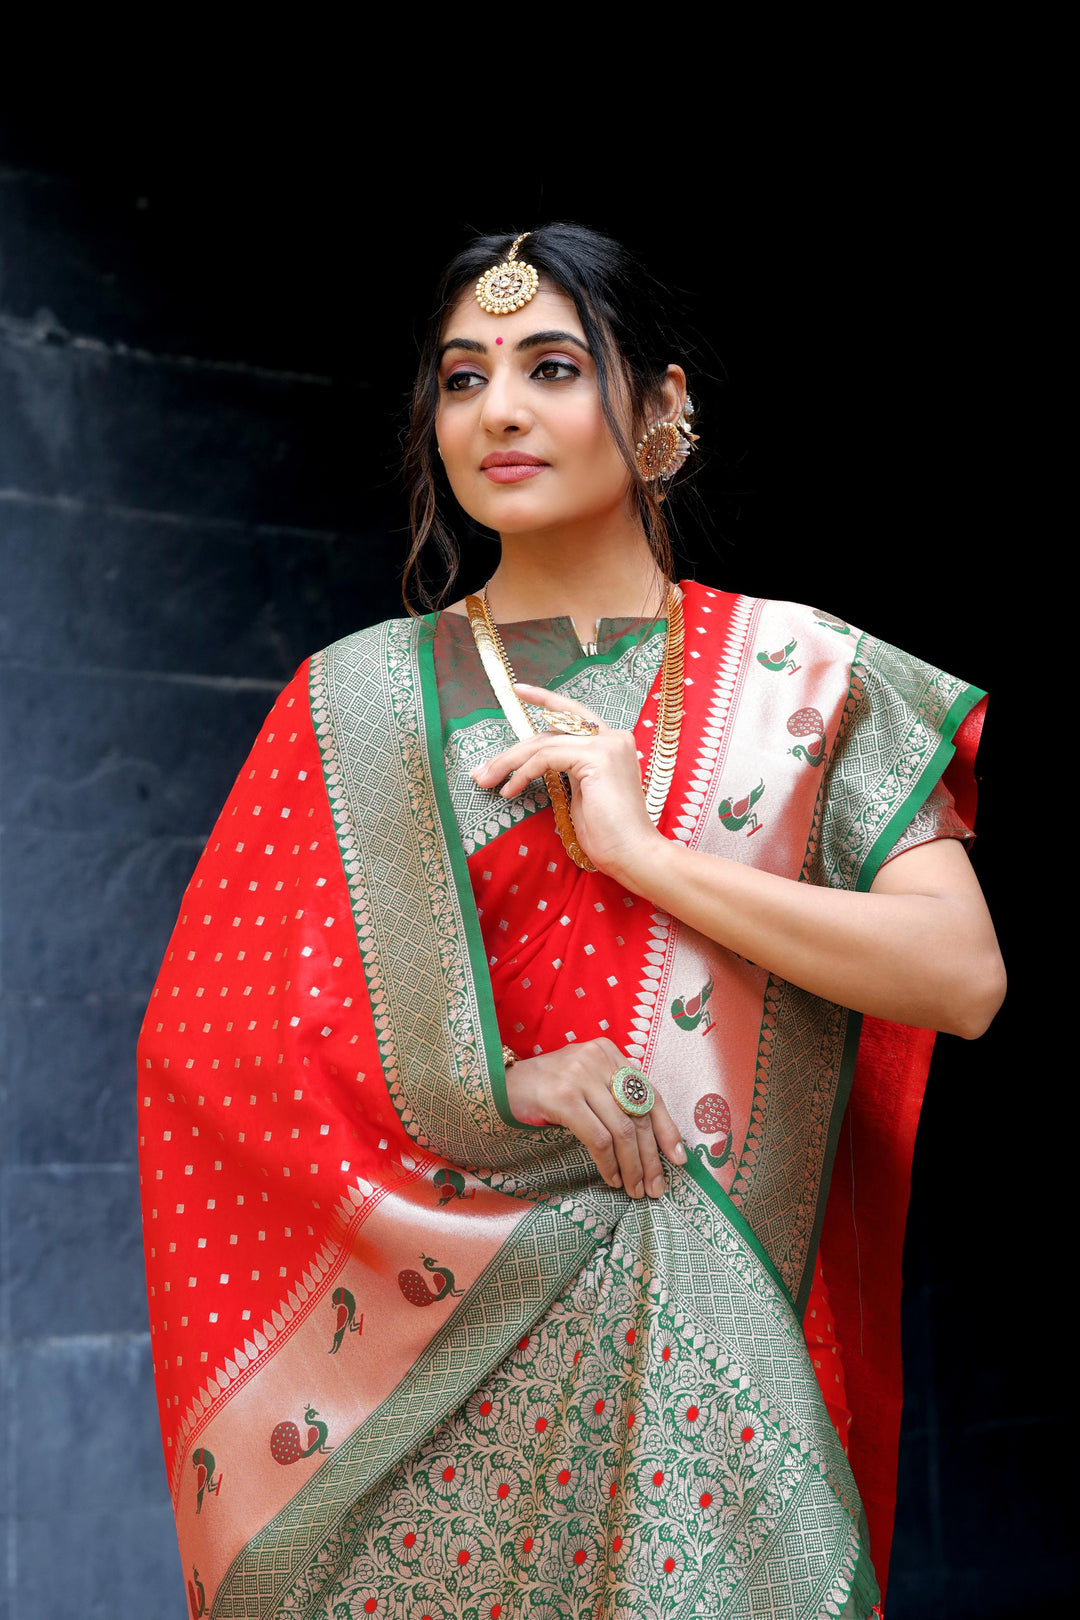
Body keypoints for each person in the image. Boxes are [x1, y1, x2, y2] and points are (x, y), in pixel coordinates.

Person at [138, 224, 1005, 1620]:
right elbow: (212, 1054)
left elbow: (960, 977)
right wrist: (495, 1085)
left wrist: (644, 857)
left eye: (550, 367)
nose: (501, 411)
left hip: (718, 1370)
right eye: (463, 378)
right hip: (431, 1394)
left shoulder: (805, 677)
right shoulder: (355, 705)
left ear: (662, 412)